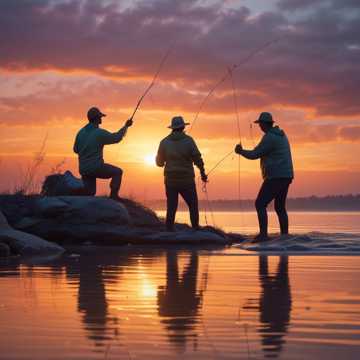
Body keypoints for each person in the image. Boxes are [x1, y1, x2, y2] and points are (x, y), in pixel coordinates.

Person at [235, 112, 294, 242]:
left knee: (260, 204)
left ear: (264, 124)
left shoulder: (270, 137)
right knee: (280, 207)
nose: (259, 126)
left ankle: (263, 235)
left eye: (260, 124)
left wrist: (240, 152)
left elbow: (255, 154)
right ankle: (285, 236)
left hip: (276, 176)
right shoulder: (281, 135)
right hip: (286, 175)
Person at [156, 116, 207, 231]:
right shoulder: (189, 140)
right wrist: (203, 173)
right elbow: (197, 159)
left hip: (170, 180)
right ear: (183, 127)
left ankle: (169, 230)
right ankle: (195, 228)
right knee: (193, 205)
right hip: (187, 180)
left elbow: (159, 163)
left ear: (172, 128)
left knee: (171, 207)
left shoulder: (164, 142)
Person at [73, 107, 133, 200]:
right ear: (97, 118)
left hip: (83, 169)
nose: (101, 119)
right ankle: (114, 197)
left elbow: (76, 150)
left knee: (90, 193)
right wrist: (126, 126)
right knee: (118, 172)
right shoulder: (99, 133)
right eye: (100, 117)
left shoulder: (80, 133)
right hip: (96, 167)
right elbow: (116, 138)